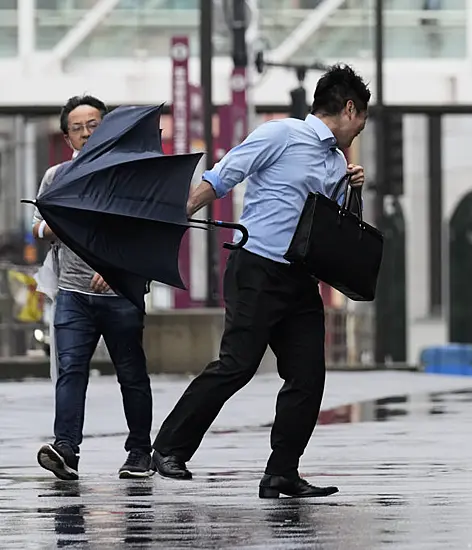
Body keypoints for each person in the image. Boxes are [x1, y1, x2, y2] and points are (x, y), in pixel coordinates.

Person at [151, 64, 370, 499]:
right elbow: (223, 174)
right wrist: (176, 217)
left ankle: (281, 474)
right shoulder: (281, 135)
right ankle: (169, 447)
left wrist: (352, 190)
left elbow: (335, 231)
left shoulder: (336, 162)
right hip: (258, 268)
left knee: (308, 377)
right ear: (349, 108)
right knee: (237, 365)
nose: (361, 127)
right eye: (362, 117)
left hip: (300, 281)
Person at [32, 95, 154, 480]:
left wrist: (120, 269)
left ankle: (139, 452)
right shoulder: (56, 177)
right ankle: (66, 448)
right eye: (77, 128)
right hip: (72, 294)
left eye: (94, 125)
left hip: (120, 295)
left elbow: (148, 231)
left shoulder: (131, 175)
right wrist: (52, 225)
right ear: (67, 137)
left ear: (107, 128)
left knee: (131, 374)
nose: (86, 133)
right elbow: (36, 226)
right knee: (70, 371)